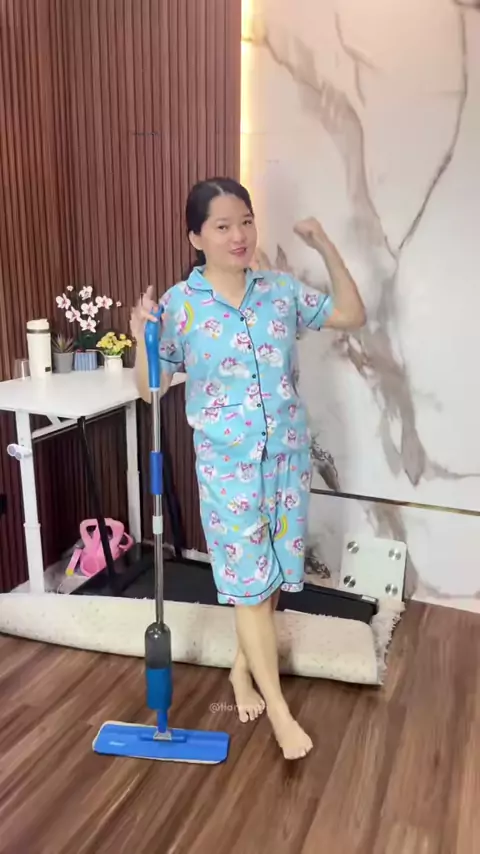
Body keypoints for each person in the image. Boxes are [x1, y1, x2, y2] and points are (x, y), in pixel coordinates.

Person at [130, 177, 365, 760]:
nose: (239, 235)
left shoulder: (279, 291)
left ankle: (242, 671)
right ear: (196, 237)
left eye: (246, 221)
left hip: (286, 459)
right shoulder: (181, 307)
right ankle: (280, 713)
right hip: (227, 471)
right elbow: (150, 389)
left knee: (269, 583)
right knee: (248, 589)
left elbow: (351, 313)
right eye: (222, 225)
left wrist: (322, 242)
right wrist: (142, 338)